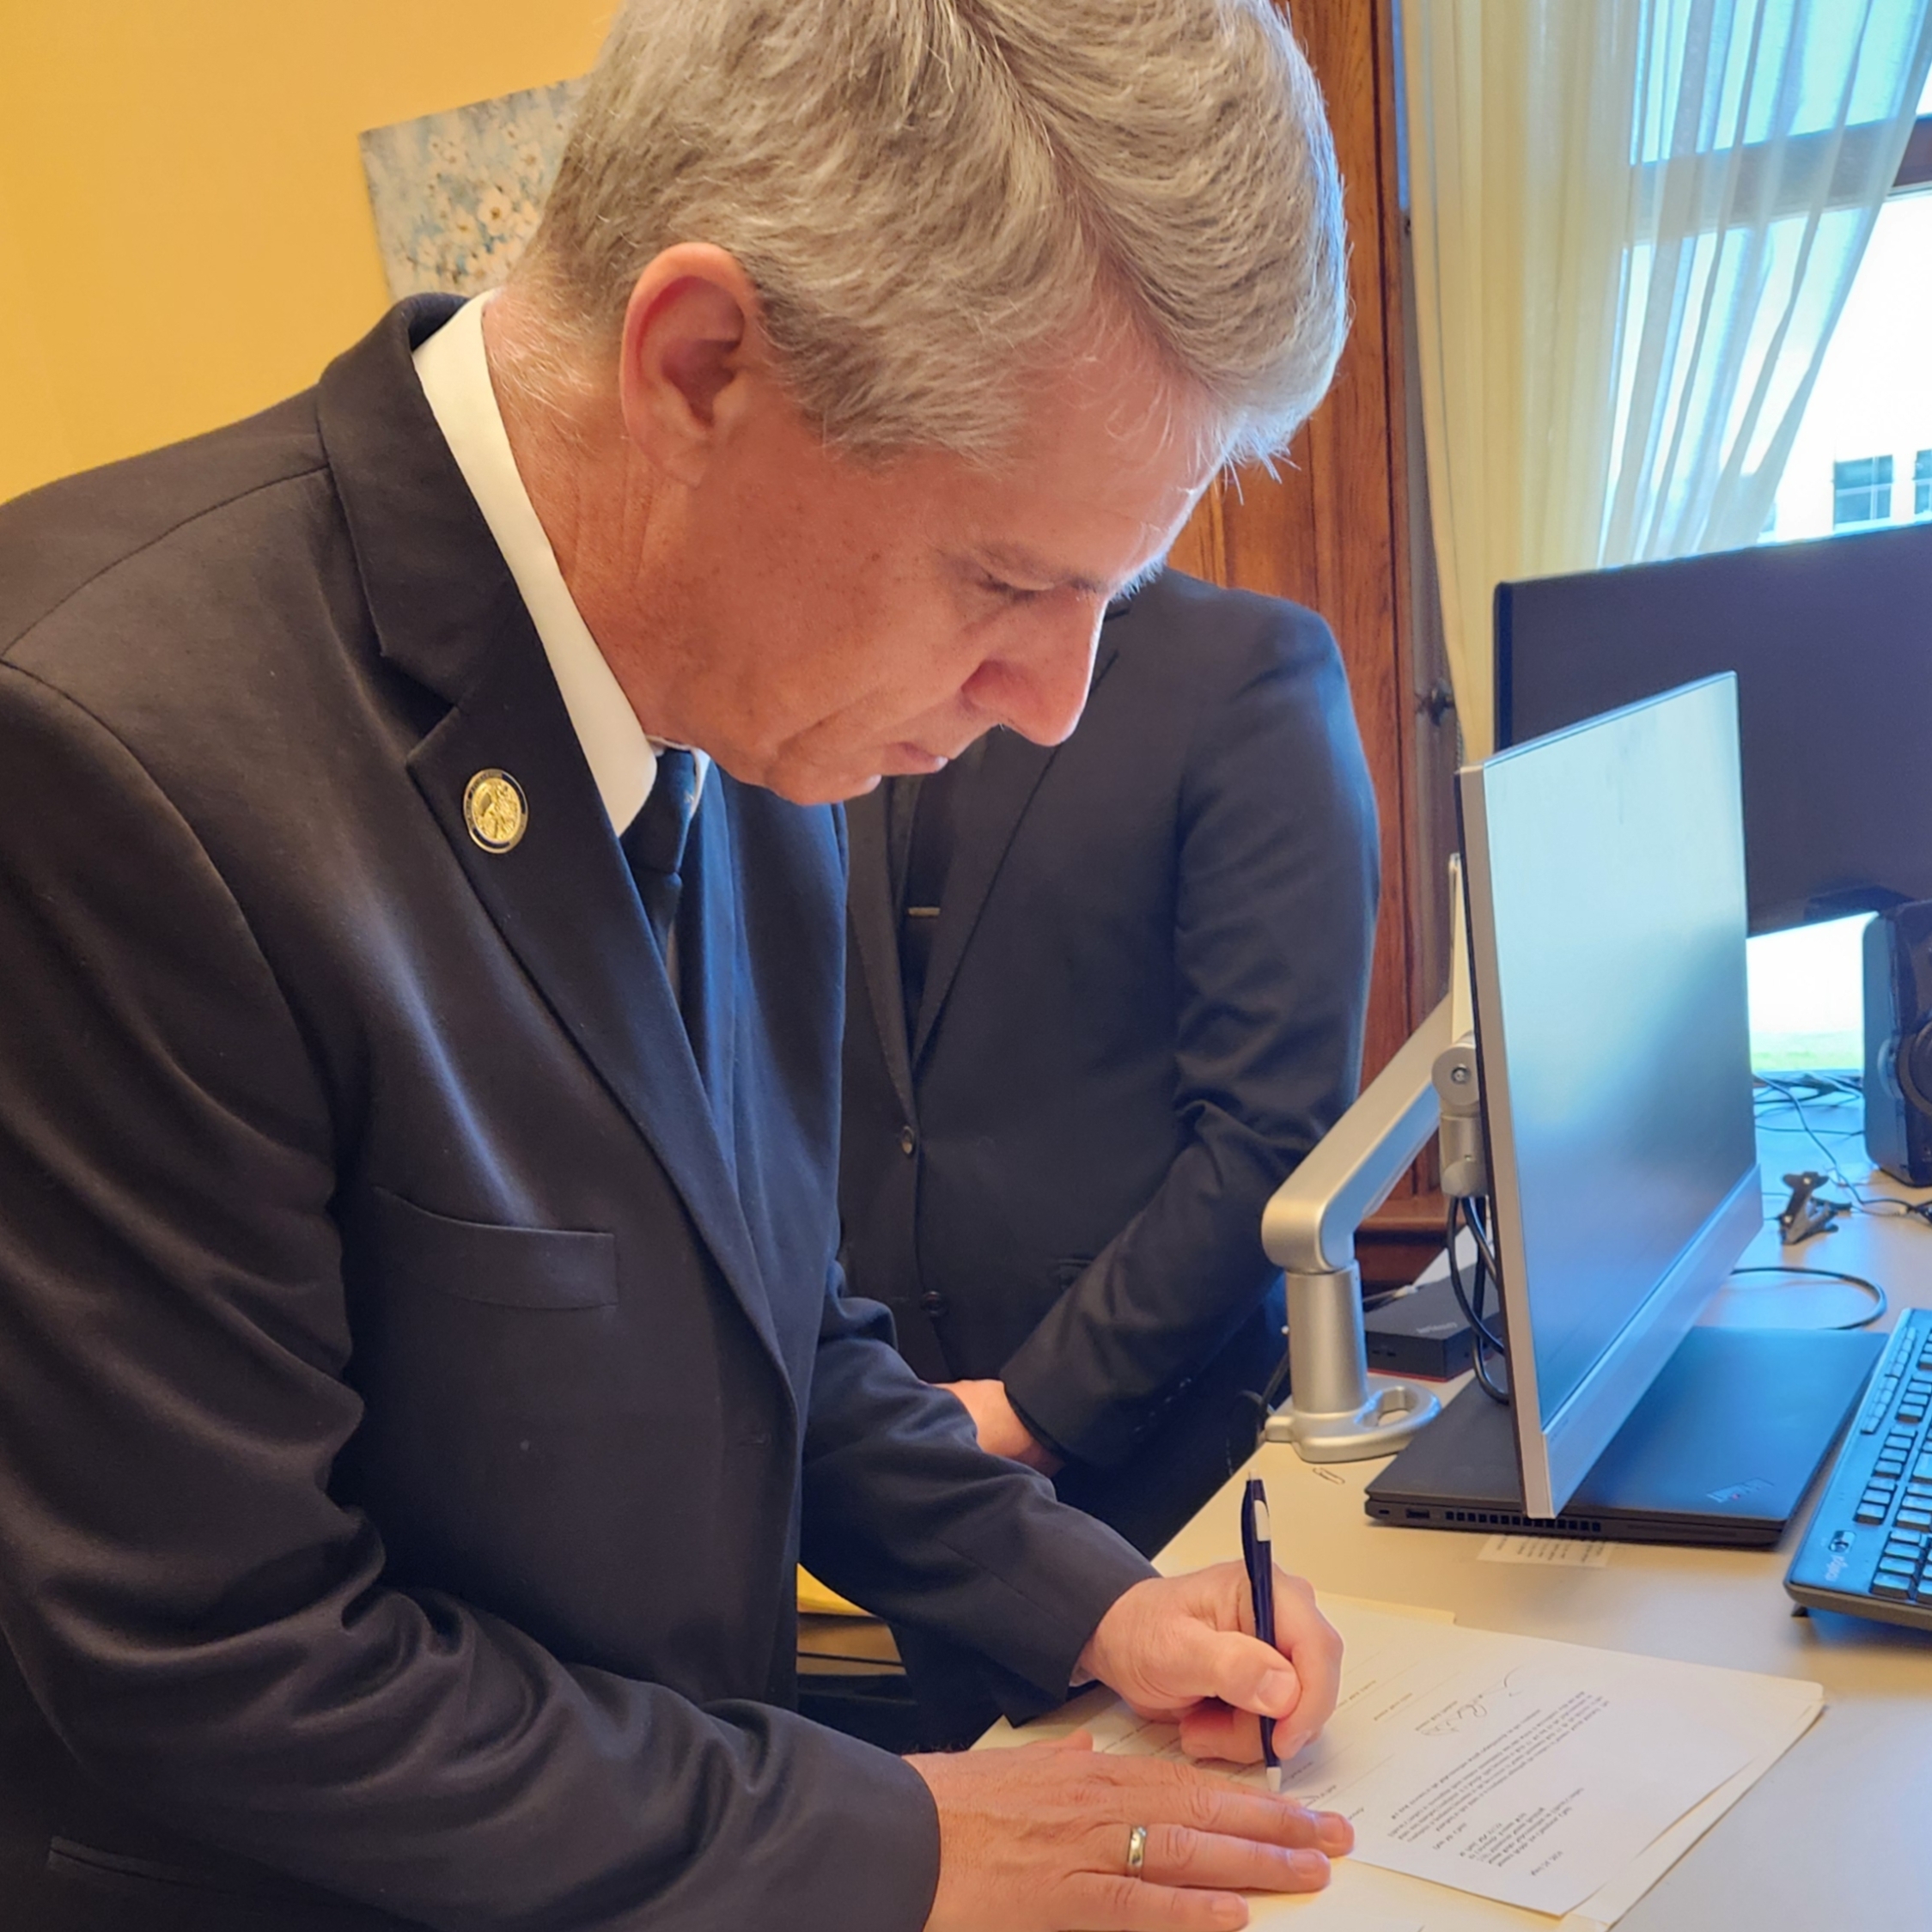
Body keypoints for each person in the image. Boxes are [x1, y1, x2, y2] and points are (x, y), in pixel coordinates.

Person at [0, 3, 1356, 1929]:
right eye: (1001, 579)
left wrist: (1092, 1598)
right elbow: (224, 1656)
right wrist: (892, 1840)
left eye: (1104, 598)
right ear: (701, 365)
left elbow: (764, 1326)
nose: (1054, 703)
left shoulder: (744, 683)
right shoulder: (101, 754)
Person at [840, 567, 1377, 1563]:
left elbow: (1271, 1127)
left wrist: (1039, 1405)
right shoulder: (843, 655)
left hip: (1166, 1451)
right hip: (896, 1441)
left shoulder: (1244, 669)